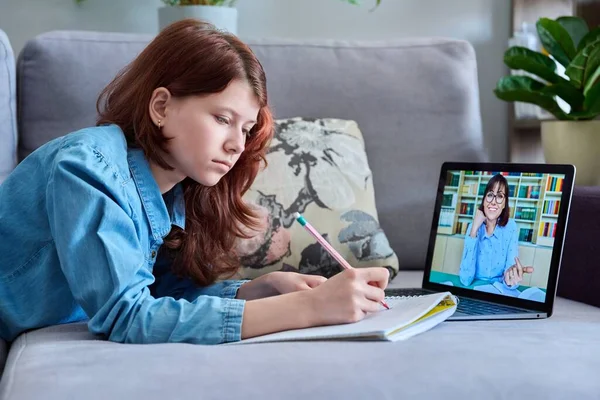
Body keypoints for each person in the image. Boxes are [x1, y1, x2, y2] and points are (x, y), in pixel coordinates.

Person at [0, 19, 389, 345]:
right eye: (222, 119)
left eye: (246, 128)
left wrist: (257, 290)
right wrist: (307, 309)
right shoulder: (87, 169)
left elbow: (154, 292)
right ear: (161, 107)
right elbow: (127, 316)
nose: (237, 144)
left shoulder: (174, 190)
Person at [459, 174, 534, 290]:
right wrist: (474, 230)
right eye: (490, 195)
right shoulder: (472, 227)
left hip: (499, 289)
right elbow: (465, 280)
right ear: (484, 201)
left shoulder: (511, 227)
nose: (493, 202)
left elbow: (510, 272)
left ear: (504, 204)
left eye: (499, 196)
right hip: (475, 288)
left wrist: (510, 280)